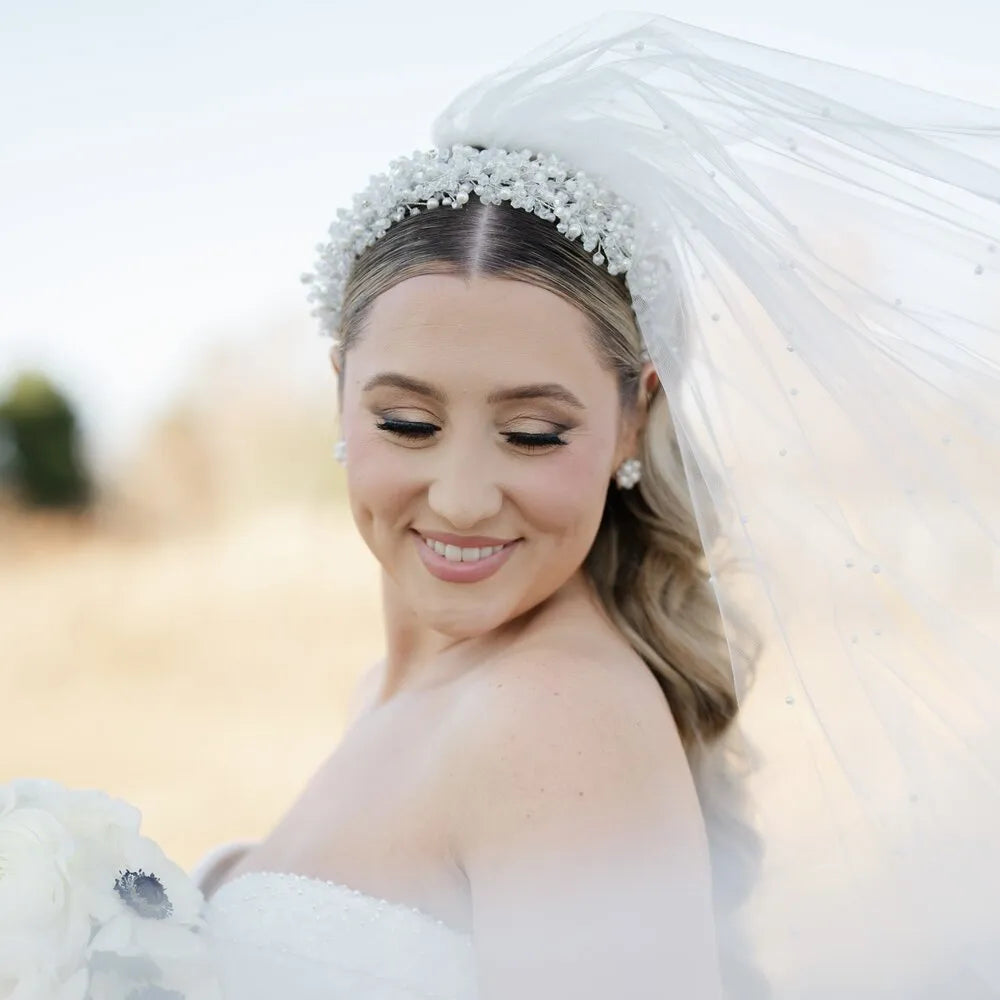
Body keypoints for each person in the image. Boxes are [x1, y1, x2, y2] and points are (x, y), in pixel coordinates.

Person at [194, 13, 1000, 1000]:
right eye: (407, 421)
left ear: (631, 421)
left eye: (533, 433)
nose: (460, 495)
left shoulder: (555, 717)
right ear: (338, 394)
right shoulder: (393, 690)